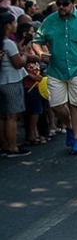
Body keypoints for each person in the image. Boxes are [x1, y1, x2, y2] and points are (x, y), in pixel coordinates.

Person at [33, 0, 77, 155]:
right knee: (56, 106)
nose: (61, 7)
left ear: (73, 3)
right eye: (58, 3)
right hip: (56, 70)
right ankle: (69, 126)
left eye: (65, 4)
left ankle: (76, 139)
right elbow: (37, 40)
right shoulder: (49, 21)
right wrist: (40, 53)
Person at [0, 12, 37, 157]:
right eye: (14, 23)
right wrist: (26, 53)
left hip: (2, 80)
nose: (15, 25)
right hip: (11, 81)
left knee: (3, 116)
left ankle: (4, 144)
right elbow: (18, 63)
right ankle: (12, 146)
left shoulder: (5, 42)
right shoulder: (8, 43)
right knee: (12, 116)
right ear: (8, 25)